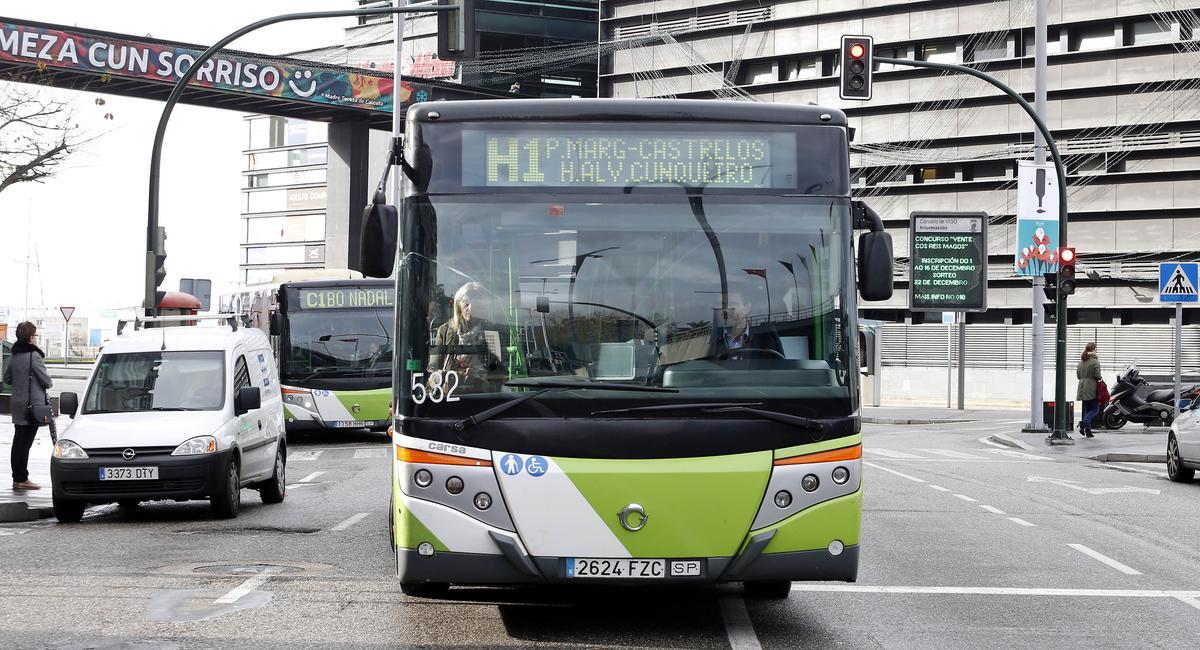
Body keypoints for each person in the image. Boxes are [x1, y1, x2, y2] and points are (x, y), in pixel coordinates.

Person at [2, 322, 53, 490]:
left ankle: (18, 478)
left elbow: (7, 379)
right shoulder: (34, 356)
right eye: (35, 335)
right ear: (31, 337)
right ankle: (22, 479)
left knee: (19, 442)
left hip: (17, 403)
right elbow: (47, 381)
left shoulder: (15, 355)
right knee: (25, 444)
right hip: (32, 406)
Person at [427, 282, 499, 392]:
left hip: (484, 396)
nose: (470, 308)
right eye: (466, 303)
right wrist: (438, 377)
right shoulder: (445, 330)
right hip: (451, 394)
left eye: (475, 304)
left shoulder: (491, 330)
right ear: (458, 306)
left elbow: (501, 371)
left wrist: (481, 378)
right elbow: (433, 368)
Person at [708, 286, 782, 360]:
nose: (725, 309)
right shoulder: (713, 338)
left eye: (732, 304)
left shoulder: (766, 337)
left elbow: (779, 368)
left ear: (747, 308)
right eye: (722, 304)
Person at [1076, 342, 1102, 438]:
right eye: (1096, 349)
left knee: (1087, 410)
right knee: (1095, 409)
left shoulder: (1081, 362)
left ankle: (1088, 431)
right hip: (1091, 387)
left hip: (1082, 387)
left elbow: (1078, 376)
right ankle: (1083, 423)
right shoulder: (1095, 361)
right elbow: (1097, 376)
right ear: (1093, 350)